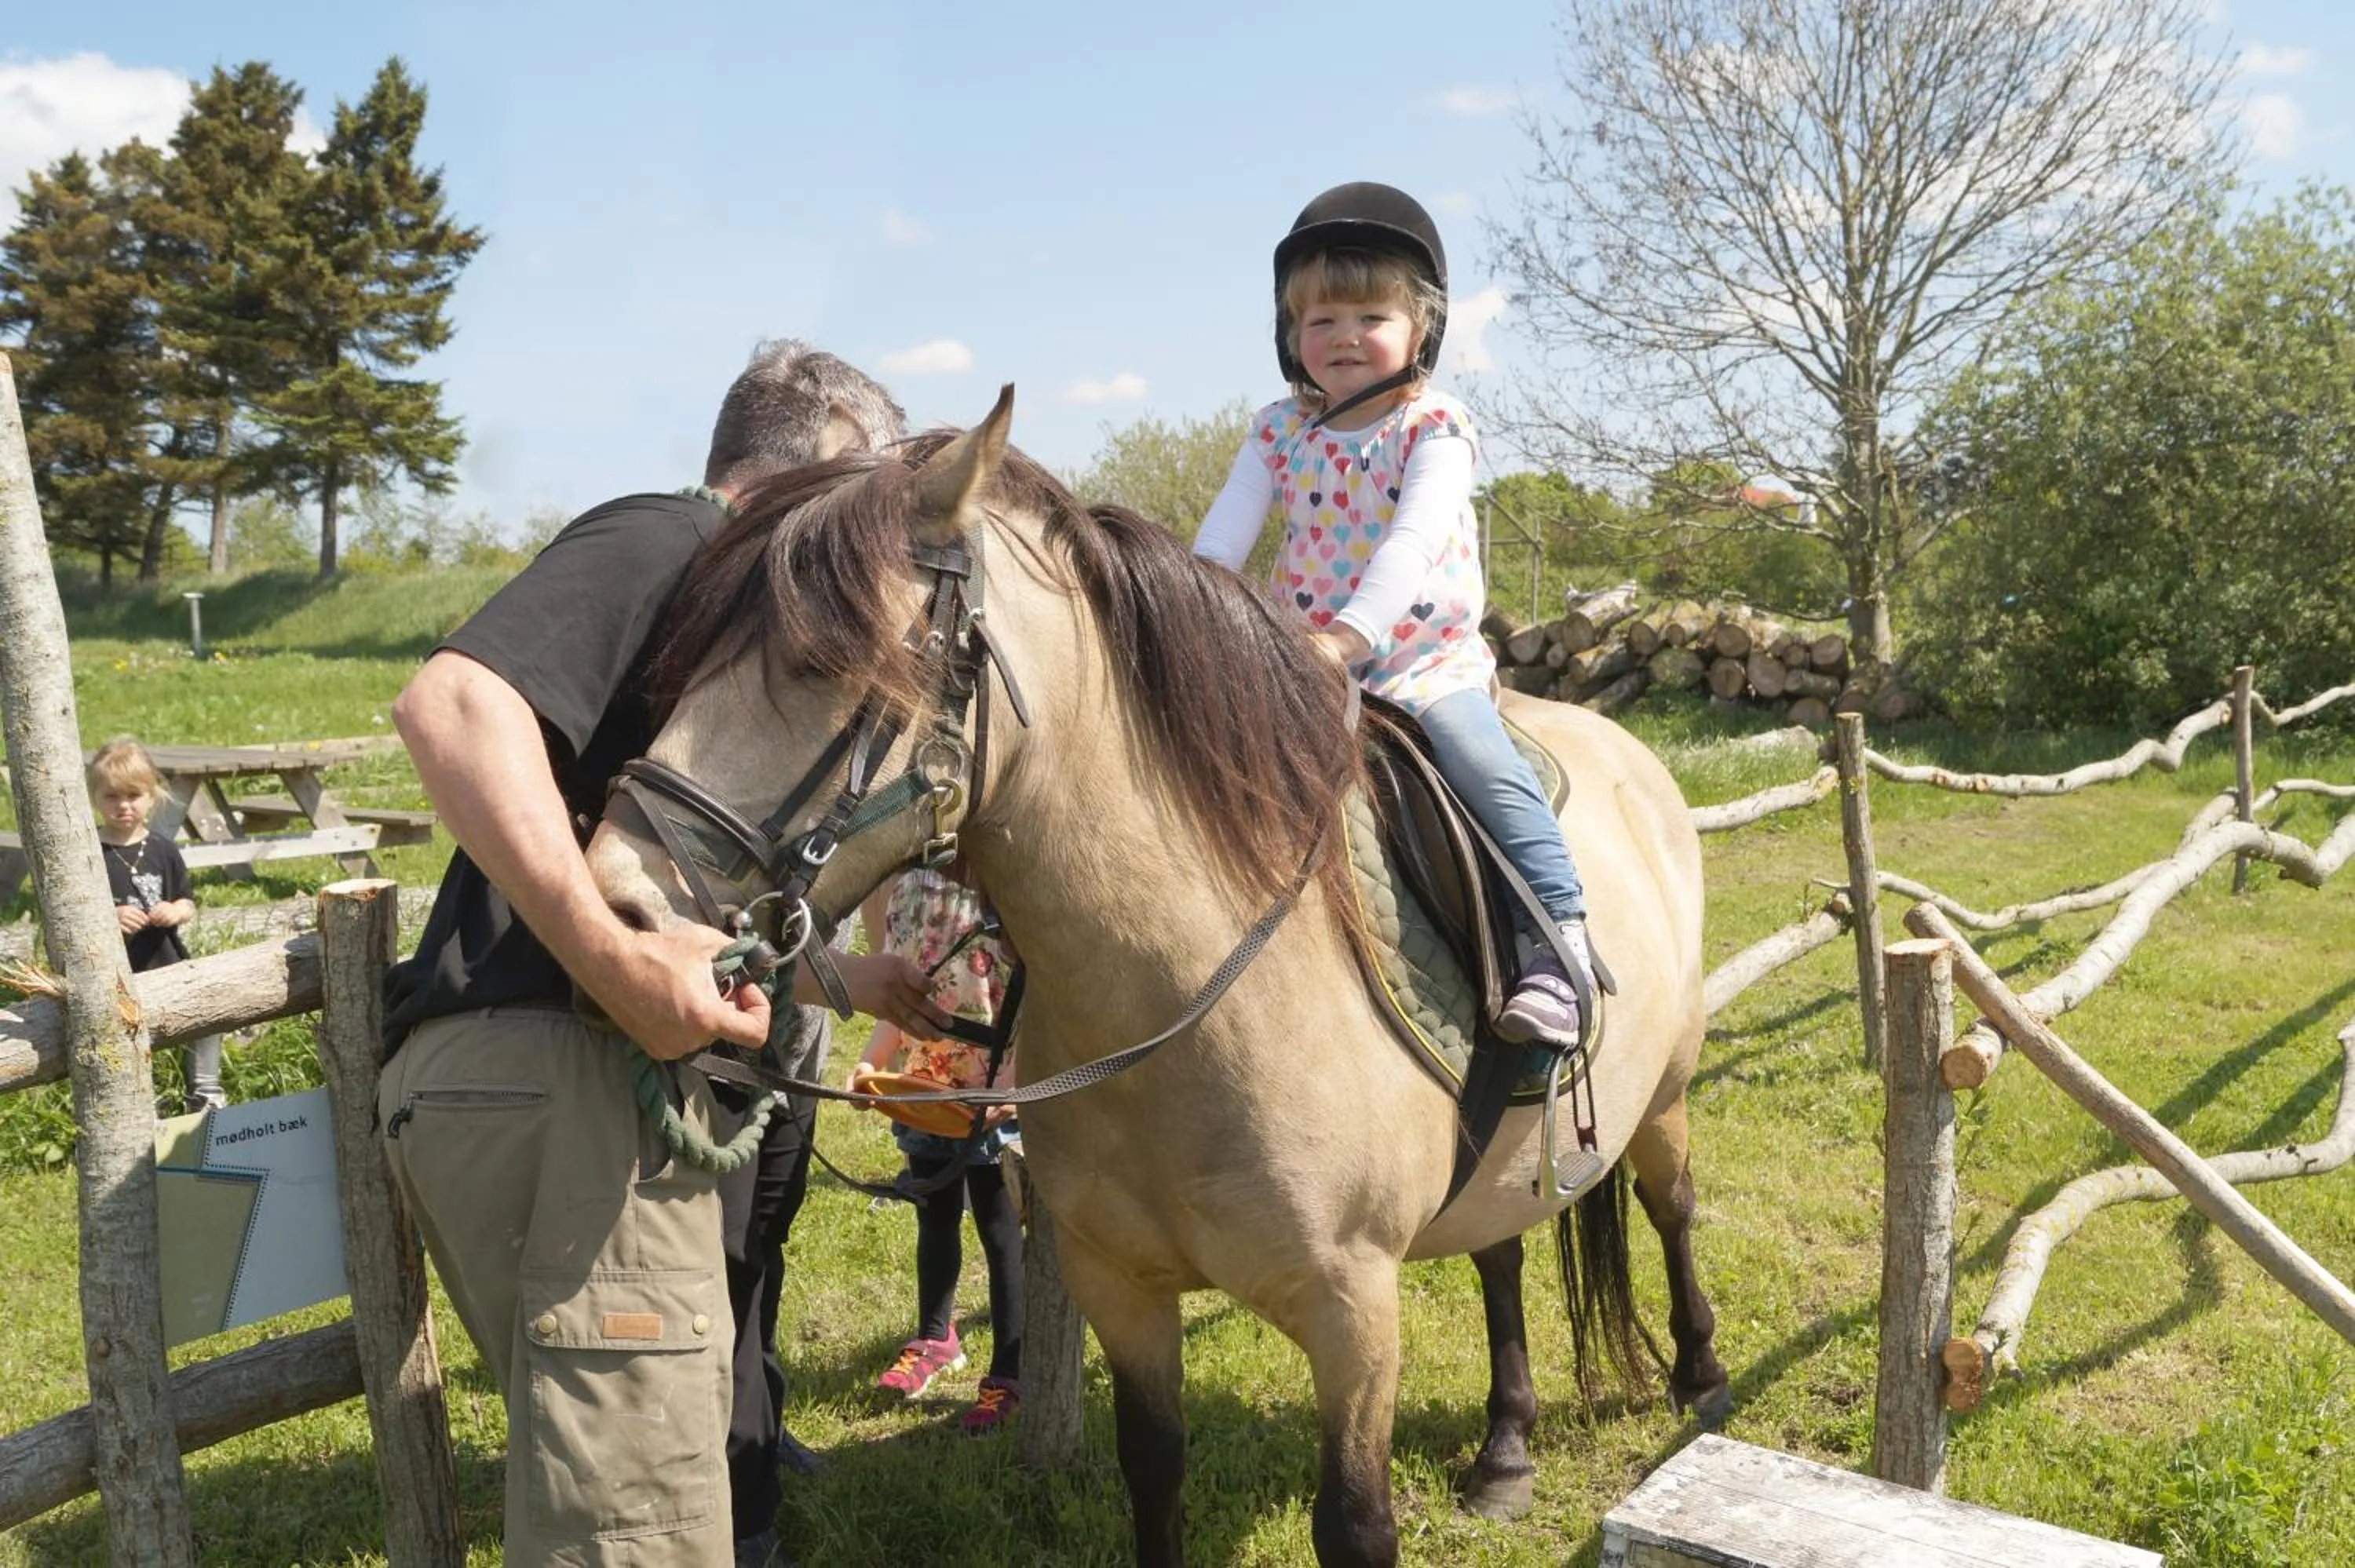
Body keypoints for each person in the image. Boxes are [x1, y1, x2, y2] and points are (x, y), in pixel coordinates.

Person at [379, 341, 952, 1568]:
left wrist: (822, 978)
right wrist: (614, 962)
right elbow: (453, 708)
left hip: (574, 1078)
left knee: (644, 1495)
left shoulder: (725, 612)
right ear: (816, 460)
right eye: (871, 495)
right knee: (633, 1535)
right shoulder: (673, 536)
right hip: (566, 1064)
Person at [1192, 181, 1599, 1045]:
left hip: (1419, 661)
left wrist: (1348, 638)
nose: (1343, 338)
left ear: (1421, 331)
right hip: (1295, 661)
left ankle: (1557, 941)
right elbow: (1219, 543)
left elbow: (1409, 545)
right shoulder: (1277, 432)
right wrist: (1183, 618)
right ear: (1289, 336)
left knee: (1478, 761)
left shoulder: (1435, 425)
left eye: (1370, 318)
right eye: (1320, 321)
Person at [845, 866, 1024, 1435]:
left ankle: (1010, 1371)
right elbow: (900, 1008)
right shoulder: (909, 895)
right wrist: (872, 1063)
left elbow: (1032, 1008)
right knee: (935, 1217)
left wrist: (1012, 1086)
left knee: (1000, 1232)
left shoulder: (1006, 898)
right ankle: (935, 1336)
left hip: (988, 1095)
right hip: (924, 1095)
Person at [89, 738, 225, 1113]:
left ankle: (205, 1092)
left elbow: (187, 900)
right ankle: (140, 1102)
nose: (123, 806)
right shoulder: (90, 851)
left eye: (133, 796)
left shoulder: (163, 848)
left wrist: (175, 911)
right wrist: (110, 918)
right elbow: (78, 915)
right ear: (96, 798)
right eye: (112, 796)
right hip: (118, 973)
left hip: (167, 960)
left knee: (211, 1014)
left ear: (152, 797)